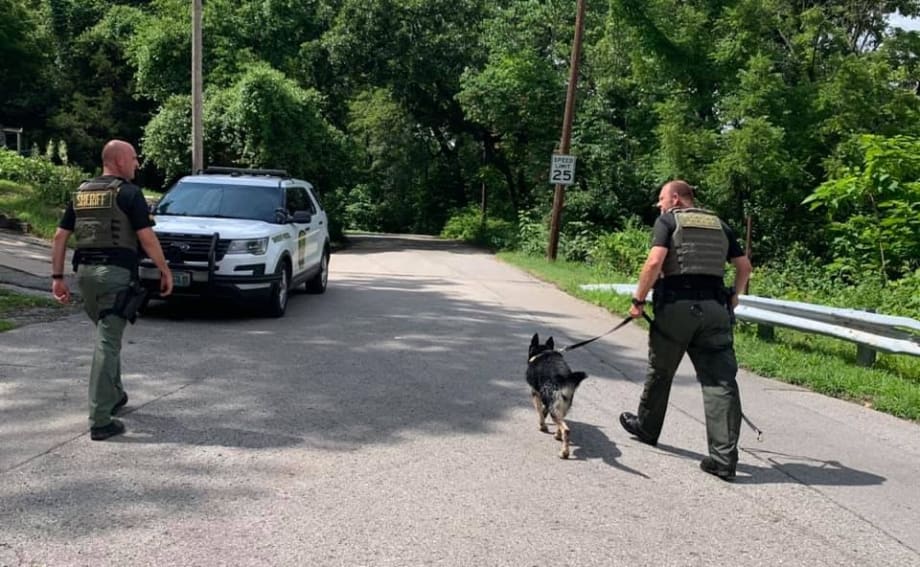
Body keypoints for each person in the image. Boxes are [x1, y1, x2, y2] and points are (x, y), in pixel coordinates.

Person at [619, 180, 752, 480]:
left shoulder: (668, 221)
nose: (659, 204)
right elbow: (744, 267)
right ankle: (723, 458)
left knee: (662, 370)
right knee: (720, 381)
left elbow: (654, 262)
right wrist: (735, 296)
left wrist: (638, 300)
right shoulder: (720, 224)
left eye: (662, 198)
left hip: (677, 308)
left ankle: (648, 427)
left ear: (676, 199)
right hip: (716, 309)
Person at [51, 139, 174, 441]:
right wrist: (164, 269)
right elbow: (146, 238)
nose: (137, 164)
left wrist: (57, 277)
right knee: (107, 342)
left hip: (87, 277)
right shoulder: (129, 194)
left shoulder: (81, 193)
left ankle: (115, 395)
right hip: (115, 276)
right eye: (134, 158)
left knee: (108, 335)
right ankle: (101, 419)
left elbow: (58, 237)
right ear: (119, 161)